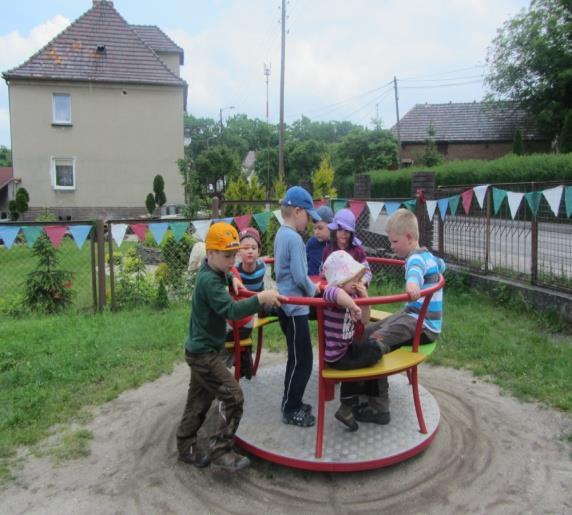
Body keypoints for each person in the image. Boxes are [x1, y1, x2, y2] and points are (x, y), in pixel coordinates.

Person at [177, 222, 283, 471]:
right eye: (227, 256)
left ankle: (186, 446)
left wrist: (231, 279)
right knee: (233, 395)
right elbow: (232, 311)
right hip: (203, 354)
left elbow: (223, 275)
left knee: (198, 401)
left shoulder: (215, 272)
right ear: (210, 252)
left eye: (233, 255)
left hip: (202, 350)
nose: (231, 261)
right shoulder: (209, 283)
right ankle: (221, 449)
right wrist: (260, 298)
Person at [362, 208, 446, 422]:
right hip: (417, 316)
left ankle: (379, 409)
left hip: (421, 324)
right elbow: (442, 266)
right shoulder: (429, 256)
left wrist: (412, 286)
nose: (391, 246)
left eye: (394, 242)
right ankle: (365, 384)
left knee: (373, 343)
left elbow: (414, 276)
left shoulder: (414, 261)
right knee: (367, 331)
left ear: (409, 238)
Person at [322, 251, 392, 431]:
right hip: (337, 355)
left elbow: (364, 320)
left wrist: (364, 299)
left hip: (346, 350)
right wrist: (353, 306)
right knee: (373, 349)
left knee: (367, 350)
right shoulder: (332, 294)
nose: (357, 282)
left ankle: (347, 408)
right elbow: (333, 292)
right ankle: (347, 407)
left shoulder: (352, 296)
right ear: (339, 279)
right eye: (353, 278)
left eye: (358, 277)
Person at [274, 186, 322, 427]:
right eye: (308, 216)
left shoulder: (281, 234)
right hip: (296, 308)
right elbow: (301, 277)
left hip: (288, 306)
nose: (310, 222)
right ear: (297, 211)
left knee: (297, 358)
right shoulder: (294, 238)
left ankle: (292, 401)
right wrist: (316, 292)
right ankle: (290, 408)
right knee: (302, 360)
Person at [224, 227, 267, 379]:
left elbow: (261, 287)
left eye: (254, 248)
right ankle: (243, 359)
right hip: (241, 310)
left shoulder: (262, 267)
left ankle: (243, 358)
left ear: (259, 252)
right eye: (245, 248)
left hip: (253, 308)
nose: (250, 251)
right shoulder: (235, 271)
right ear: (238, 253)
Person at [322, 208, 372, 285]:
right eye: (340, 229)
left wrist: (361, 282)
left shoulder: (357, 251)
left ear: (351, 233)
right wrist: (325, 274)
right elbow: (322, 271)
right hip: (332, 290)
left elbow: (367, 272)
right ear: (335, 231)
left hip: (352, 290)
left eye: (347, 230)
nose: (343, 233)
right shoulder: (328, 250)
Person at [306, 205, 334, 276]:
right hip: (312, 284)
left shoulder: (337, 243)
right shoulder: (311, 243)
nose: (316, 232)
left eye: (320, 228)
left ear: (331, 226)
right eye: (315, 228)